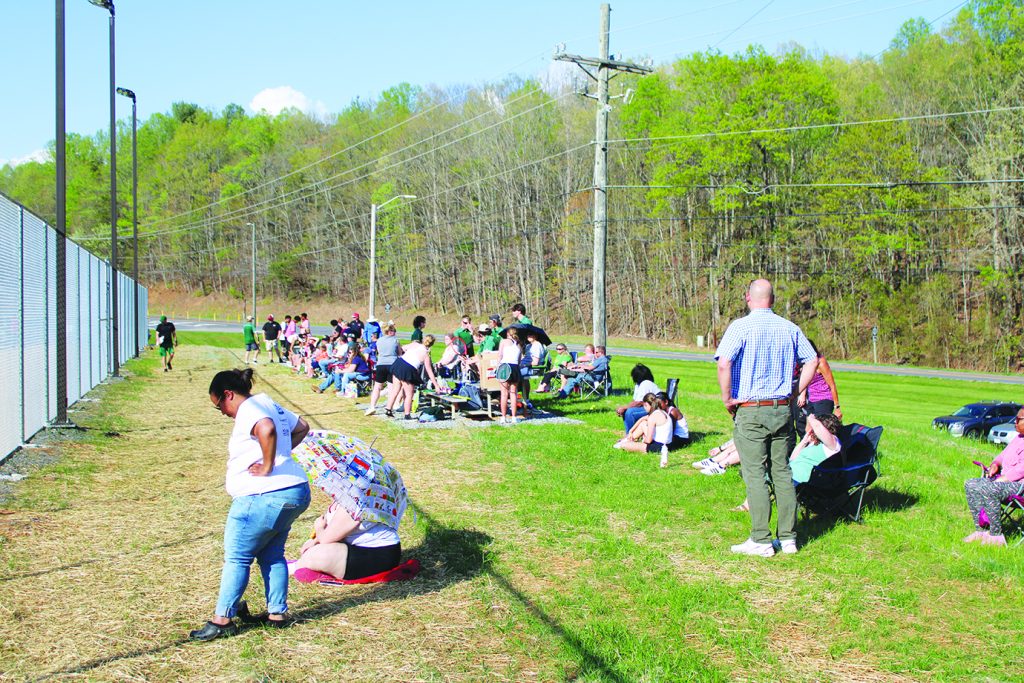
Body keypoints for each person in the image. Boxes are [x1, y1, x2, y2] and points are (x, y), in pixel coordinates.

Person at [189, 368, 311, 641]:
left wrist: (268, 465)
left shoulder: (249, 409)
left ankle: (222, 619)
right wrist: (281, 455)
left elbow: (266, 428)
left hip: (263, 495)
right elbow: (302, 427)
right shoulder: (268, 402)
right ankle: (277, 614)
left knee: (237, 557)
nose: (221, 411)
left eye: (219, 405)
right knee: (272, 555)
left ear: (228, 394)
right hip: (294, 490)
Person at [716, 278, 818, 557]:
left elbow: (724, 362)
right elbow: (812, 360)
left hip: (751, 408)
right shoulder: (790, 328)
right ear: (771, 300)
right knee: (782, 472)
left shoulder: (740, 327)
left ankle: (760, 539)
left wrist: (727, 398)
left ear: (749, 297)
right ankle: (788, 538)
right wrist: (796, 389)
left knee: (755, 473)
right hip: (782, 407)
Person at [291, 499, 402, 584]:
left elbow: (326, 539)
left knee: (316, 556)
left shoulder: (356, 501)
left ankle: (292, 567)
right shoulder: (348, 497)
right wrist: (314, 540)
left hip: (378, 556)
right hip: (369, 549)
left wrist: (319, 528)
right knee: (313, 553)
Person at [964, 406, 1024, 546]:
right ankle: (981, 531)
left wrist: (1003, 479)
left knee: (991, 489)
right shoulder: (1018, 438)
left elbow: (1021, 469)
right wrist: (995, 464)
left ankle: (995, 535)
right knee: (971, 484)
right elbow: (1002, 456)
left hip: (1020, 487)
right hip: (1005, 484)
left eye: (1018, 420)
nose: (1014, 422)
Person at [384, 334, 443, 419]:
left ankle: (388, 408)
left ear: (423, 340)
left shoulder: (415, 344)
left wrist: (402, 355)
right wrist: (436, 386)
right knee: (409, 394)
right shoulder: (426, 355)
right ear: (431, 344)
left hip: (399, 363)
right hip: (408, 369)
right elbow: (430, 372)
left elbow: (402, 348)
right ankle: (407, 414)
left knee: (395, 389)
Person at [794, 339, 843, 435]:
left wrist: (837, 407)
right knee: (808, 430)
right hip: (812, 400)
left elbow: (832, 385)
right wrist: (802, 394)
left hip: (823, 399)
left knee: (822, 430)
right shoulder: (806, 363)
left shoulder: (821, 362)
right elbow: (805, 380)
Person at [365, 324, 402, 415]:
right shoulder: (395, 340)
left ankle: (372, 406)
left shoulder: (379, 341)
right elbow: (400, 353)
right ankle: (389, 406)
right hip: (392, 364)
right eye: (394, 331)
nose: (395, 333)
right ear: (390, 331)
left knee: (377, 386)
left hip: (381, 364)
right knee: (391, 386)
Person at [617, 364, 661, 433]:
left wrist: (625, 408)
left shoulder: (645, 383)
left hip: (656, 408)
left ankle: (629, 435)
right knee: (628, 410)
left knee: (630, 412)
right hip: (647, 407)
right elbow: (635, 400)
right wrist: (624, 408)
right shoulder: (638, 385)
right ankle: (633, 433)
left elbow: (639, 403)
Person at [497, 327, 524, 423]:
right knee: (513, 393)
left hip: (505, 366)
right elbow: (520, 360)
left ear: (508, 333)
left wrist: (497, 367)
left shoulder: (503, 341)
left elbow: (500, 355)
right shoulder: (519, 345)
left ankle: (503, 417)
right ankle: (514, 417)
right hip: (515, 368)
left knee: (504, 393)